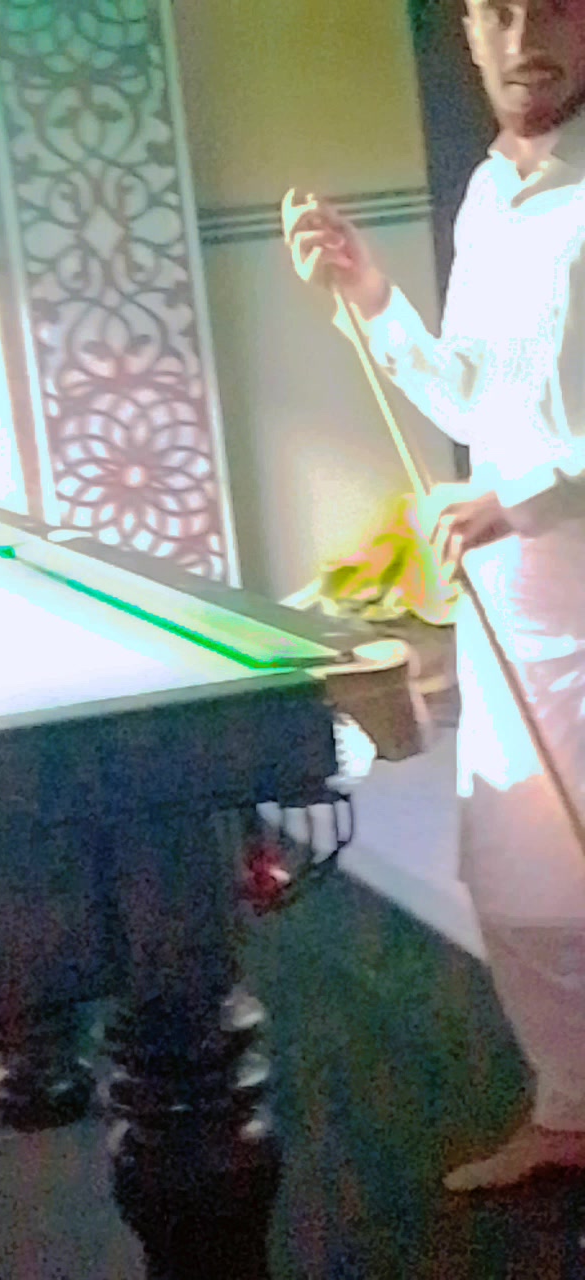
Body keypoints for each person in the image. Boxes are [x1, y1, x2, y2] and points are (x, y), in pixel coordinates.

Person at [284, 0, 585, 1192]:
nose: (524, 35)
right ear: (466, 30)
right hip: (513, 600)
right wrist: (372, 297)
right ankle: (569, 1107)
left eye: (554, 3)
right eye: (496, 9)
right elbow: (475, 399)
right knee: (519, 883)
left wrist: (522, 497)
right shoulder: (488, 195)